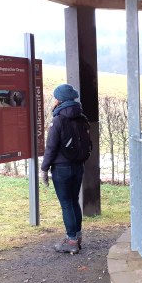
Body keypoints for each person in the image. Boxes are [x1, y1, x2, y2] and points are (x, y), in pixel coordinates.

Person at [41, 84, 85, 254]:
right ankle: (77, 236)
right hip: (78, 166)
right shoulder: (81, 117)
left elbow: (51, 147)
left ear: (59, 100)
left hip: (61, 168)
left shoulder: (58, 119)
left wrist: (44, 169)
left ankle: (71, 241)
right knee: (74, 201)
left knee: (66, 204)